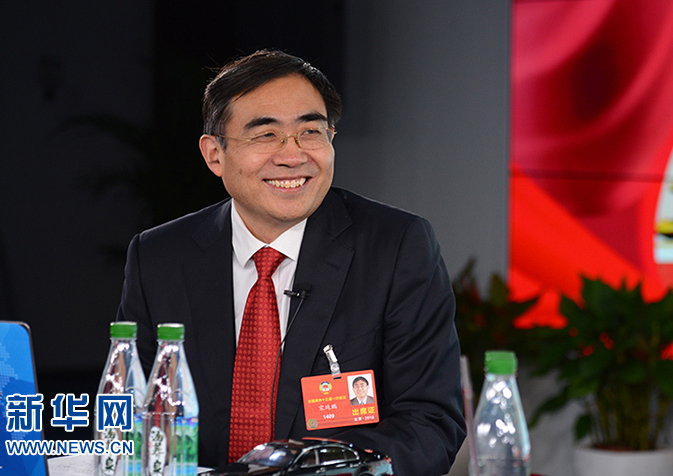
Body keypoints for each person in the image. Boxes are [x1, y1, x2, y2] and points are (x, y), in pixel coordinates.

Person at [115, 49, 465, 476]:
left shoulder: (395, 247)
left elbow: (429, 423)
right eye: (266, 135)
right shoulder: (158, 257)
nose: (293, 155)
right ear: (214, 154)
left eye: (310, 132)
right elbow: (129, 413)